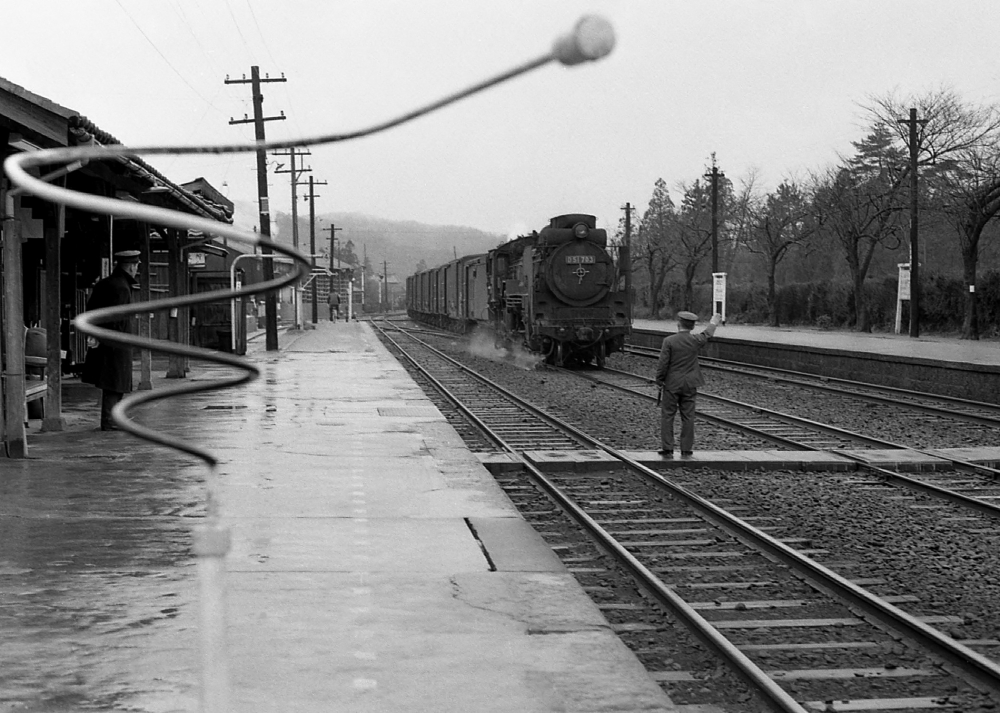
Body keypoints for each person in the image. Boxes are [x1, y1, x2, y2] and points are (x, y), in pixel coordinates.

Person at [81, 250, 140, 431]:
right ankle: (110, 419)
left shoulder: (105, 284)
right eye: (136, 266)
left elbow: (90, 308)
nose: (136, 269)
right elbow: (118, 318)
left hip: (105, 339)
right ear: (131, 266)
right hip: (116, 342)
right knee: (115, 382)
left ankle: (111, 418)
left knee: (112, 381)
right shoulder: (121, 288)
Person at [655, 310, 722, 458]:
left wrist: (659, 380)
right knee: (688, 416)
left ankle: (668, 448)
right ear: (692, 327)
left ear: (678, 324)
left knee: (667, 416)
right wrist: (714, 322)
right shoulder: (695, 340)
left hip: (672, 384)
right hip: (691, 384)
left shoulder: (669, 341)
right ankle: (686, 449)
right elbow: (707, 334)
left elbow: (663, 364)